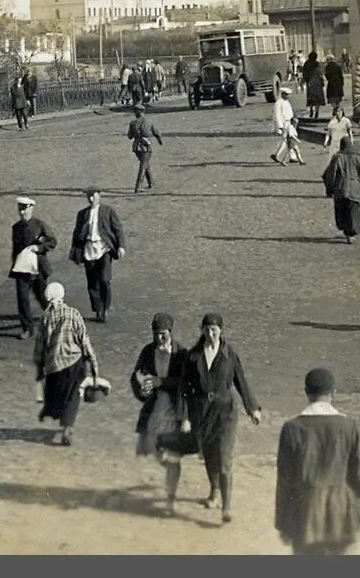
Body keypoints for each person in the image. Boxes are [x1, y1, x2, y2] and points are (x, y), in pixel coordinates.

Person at [274, 368, 360, 555]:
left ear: (306, 392)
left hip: (305, 514)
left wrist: (283, 523)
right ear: (333, 393)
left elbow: (284, 481)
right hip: (342, 514)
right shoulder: (349, 427)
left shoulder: (292, 428)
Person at [173, 313, 261, 524]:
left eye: (215, 329)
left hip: (225, 413)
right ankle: (214, 490)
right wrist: (183, 417)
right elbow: (183, 388)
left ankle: (226, 507)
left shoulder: (229, 354)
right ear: (202, 330)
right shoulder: (193, 356)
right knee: (210, 455)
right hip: (201, 413)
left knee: (224, 457)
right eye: (207, 329)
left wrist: (252, 408)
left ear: (221, 331)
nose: (211, 333)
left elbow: (241, 380)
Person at [132, 312, 188, 515]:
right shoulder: (148, 351)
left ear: (170, 332)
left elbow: (185, 383)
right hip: (155, 410)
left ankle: (170, 499)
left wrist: (160, 382)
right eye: (155, 334)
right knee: (155, 450)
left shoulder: (181, 353)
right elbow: (136, 375)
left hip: (175, 410)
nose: (159, 339)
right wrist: (142, 389)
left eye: (163, 334)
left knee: (172, 457)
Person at [33, 282, 100, 447]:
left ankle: (56, 416)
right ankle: (67, 427)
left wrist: (39, 367)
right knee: (73, 394)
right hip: (73, 362)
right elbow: (84, 340)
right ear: (62, 296)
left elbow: (40, 346)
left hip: (53, 365)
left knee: (59, 394)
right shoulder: (73, 314)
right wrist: (93, 363)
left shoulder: (45, 318)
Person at [70, 187, 125, 322]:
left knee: (105, 279)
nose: (90, 199)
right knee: (92, 282)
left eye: (93, 196)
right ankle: (98, 308)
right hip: (89, 249)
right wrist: (75, 252)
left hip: (104, 248)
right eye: (88, 196)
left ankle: (105, 307)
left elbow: (118, 229)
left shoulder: (108, 211)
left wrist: (121, 246)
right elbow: (76, 234)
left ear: (99, 195)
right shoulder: (82, 214)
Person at [10, 197, 57, 338]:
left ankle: (55, 321)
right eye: (20, 209)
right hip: (22, 270)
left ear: (32, 208)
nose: (22, 212)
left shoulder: (39, 225)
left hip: (38, 269)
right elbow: (15, 249)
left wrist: (39, 247)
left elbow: (52, 242)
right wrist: (15, 265)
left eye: (25, 208)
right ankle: (27, 329)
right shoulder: (16, 228)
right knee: (22, 299)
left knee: (42, 297)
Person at [322, 135, 360, 244]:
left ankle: (346, 231)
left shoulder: (338, 157)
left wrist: (329, 188)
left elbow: (330, 174)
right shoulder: (359, 157)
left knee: (341, 210)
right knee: (353, 211)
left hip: (340, 188)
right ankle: (352, 232)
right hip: (356, 189)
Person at [127, 105, 164, 193]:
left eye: (135, 111)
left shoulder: (133, 123)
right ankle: (138, 186)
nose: (134, 113)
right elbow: (156, 132)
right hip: (146, 146)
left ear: (139, 111)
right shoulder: (149, 121)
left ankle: (151, 182)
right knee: (143, 165)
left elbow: (129, 136)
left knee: (145, 163)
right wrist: (159, 140)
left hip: (136, 147)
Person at [270, 86, 304, 166]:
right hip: (283, 123)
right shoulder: (278, 103)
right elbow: (277, 115)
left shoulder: (286, 102)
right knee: (286, 141)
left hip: (288, 123)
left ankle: (288, 156)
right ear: (283, 94)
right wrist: (280, 126)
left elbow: (290, 113)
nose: (288, 96)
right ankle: (277, 154)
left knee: (288, 140)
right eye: (287, 94)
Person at [304, 55, 325, 121]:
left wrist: (307, 81)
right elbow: (320, 74)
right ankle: (317, 112)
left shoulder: (306, 64)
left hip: (310, 83)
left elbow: (304, 73)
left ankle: (311, 110)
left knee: (311, 98)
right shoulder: (317, 64)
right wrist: (322, 82)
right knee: (317, 99)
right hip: (317, 83)